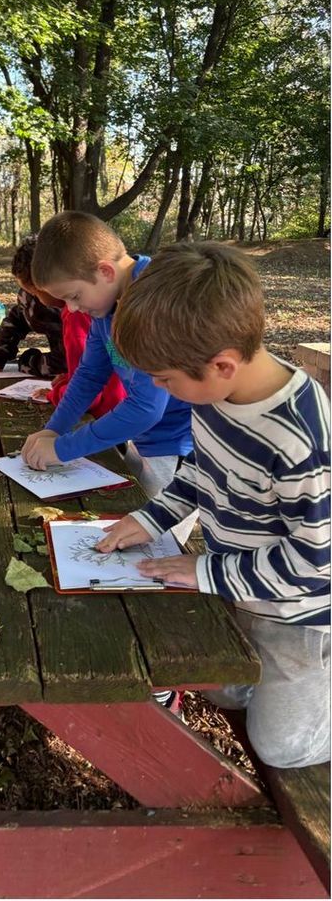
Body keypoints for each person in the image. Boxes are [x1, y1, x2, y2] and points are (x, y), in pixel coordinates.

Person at [96, 242, 330, 768]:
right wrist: (146, 518)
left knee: (281, 748)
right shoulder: (218, 397)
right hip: (237, 588)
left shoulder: (298, 440)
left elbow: (314, 566)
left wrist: (203, 570)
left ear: (221, 364)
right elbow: (201, 473)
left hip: (297, 614)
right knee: (219, 685)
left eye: (165, 380)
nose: (161, 391)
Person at [20, 212, 193, 505]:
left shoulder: (152, 305)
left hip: (181, 446)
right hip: (144, 438)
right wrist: (54, 428)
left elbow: (145, 408)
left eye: (74, 296)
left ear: (106, 272)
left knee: (152, 538)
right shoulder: (108, 304)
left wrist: (63, 448)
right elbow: (89, 375)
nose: (72, 310)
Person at [0, 235, 67, 379]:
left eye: (34, 292)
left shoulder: (79, 310)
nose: (32, 298)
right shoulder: (30, 298)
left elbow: (67, 365)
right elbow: (19, 317)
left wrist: (29, 362)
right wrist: (0, 352)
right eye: (27, 291)